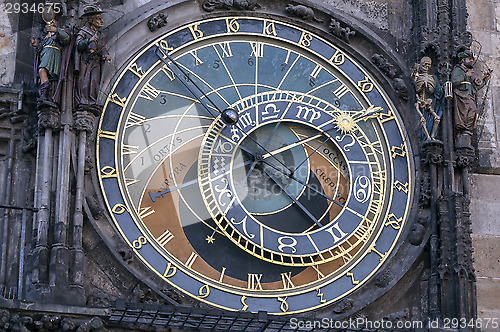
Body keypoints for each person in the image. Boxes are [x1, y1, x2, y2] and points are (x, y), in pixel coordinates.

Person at [75, 5, 111, 113]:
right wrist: (89, 40)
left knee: (94, 80)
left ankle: (92, 101)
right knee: (85, 80)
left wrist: (105, 54)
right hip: (86, 60)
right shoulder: (84, 31)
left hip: (96, 61)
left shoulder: (101, 35)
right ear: (91, 21)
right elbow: (78, 45)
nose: (102, 21)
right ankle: (83, 100)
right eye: (99, 19)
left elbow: (103, 48)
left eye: (101, 19)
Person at [451, 50, 492, 143]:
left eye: (472, 60)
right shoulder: (458, 70)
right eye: (469, 59)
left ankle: (466, 131)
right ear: (463, 60)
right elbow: (453, 81)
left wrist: (485, 79)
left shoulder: (467, 73)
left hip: (469, 96)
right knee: (467, 112)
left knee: (472, 111)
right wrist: (465, 75)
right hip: (461, 97)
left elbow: (474, 88)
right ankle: (461, 132)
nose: (471, 61)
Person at [30, 17, 71, 105]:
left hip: (53, 55)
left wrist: (56, 30)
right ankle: (45, 95)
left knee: (42, 70)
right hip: (45, 55)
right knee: (42, 72)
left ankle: (45, 94)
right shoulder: (45, 37)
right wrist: (36, 45)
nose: (50, 24)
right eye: (48, 23)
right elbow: (40, 50)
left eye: (52, 22)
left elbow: (66, 39)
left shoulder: (58, 33)